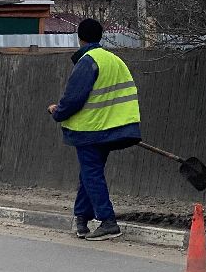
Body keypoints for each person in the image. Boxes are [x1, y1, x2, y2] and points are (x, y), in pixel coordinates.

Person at [48, 18, 140, 240]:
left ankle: (108, 221)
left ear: (80, 37)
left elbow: (74, 98)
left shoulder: (88, 61)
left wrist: (57, 112)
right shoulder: (114, 60)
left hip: (90, 129)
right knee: (90, 173)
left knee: (92, 173)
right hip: (112, 128)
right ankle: (81, 219)